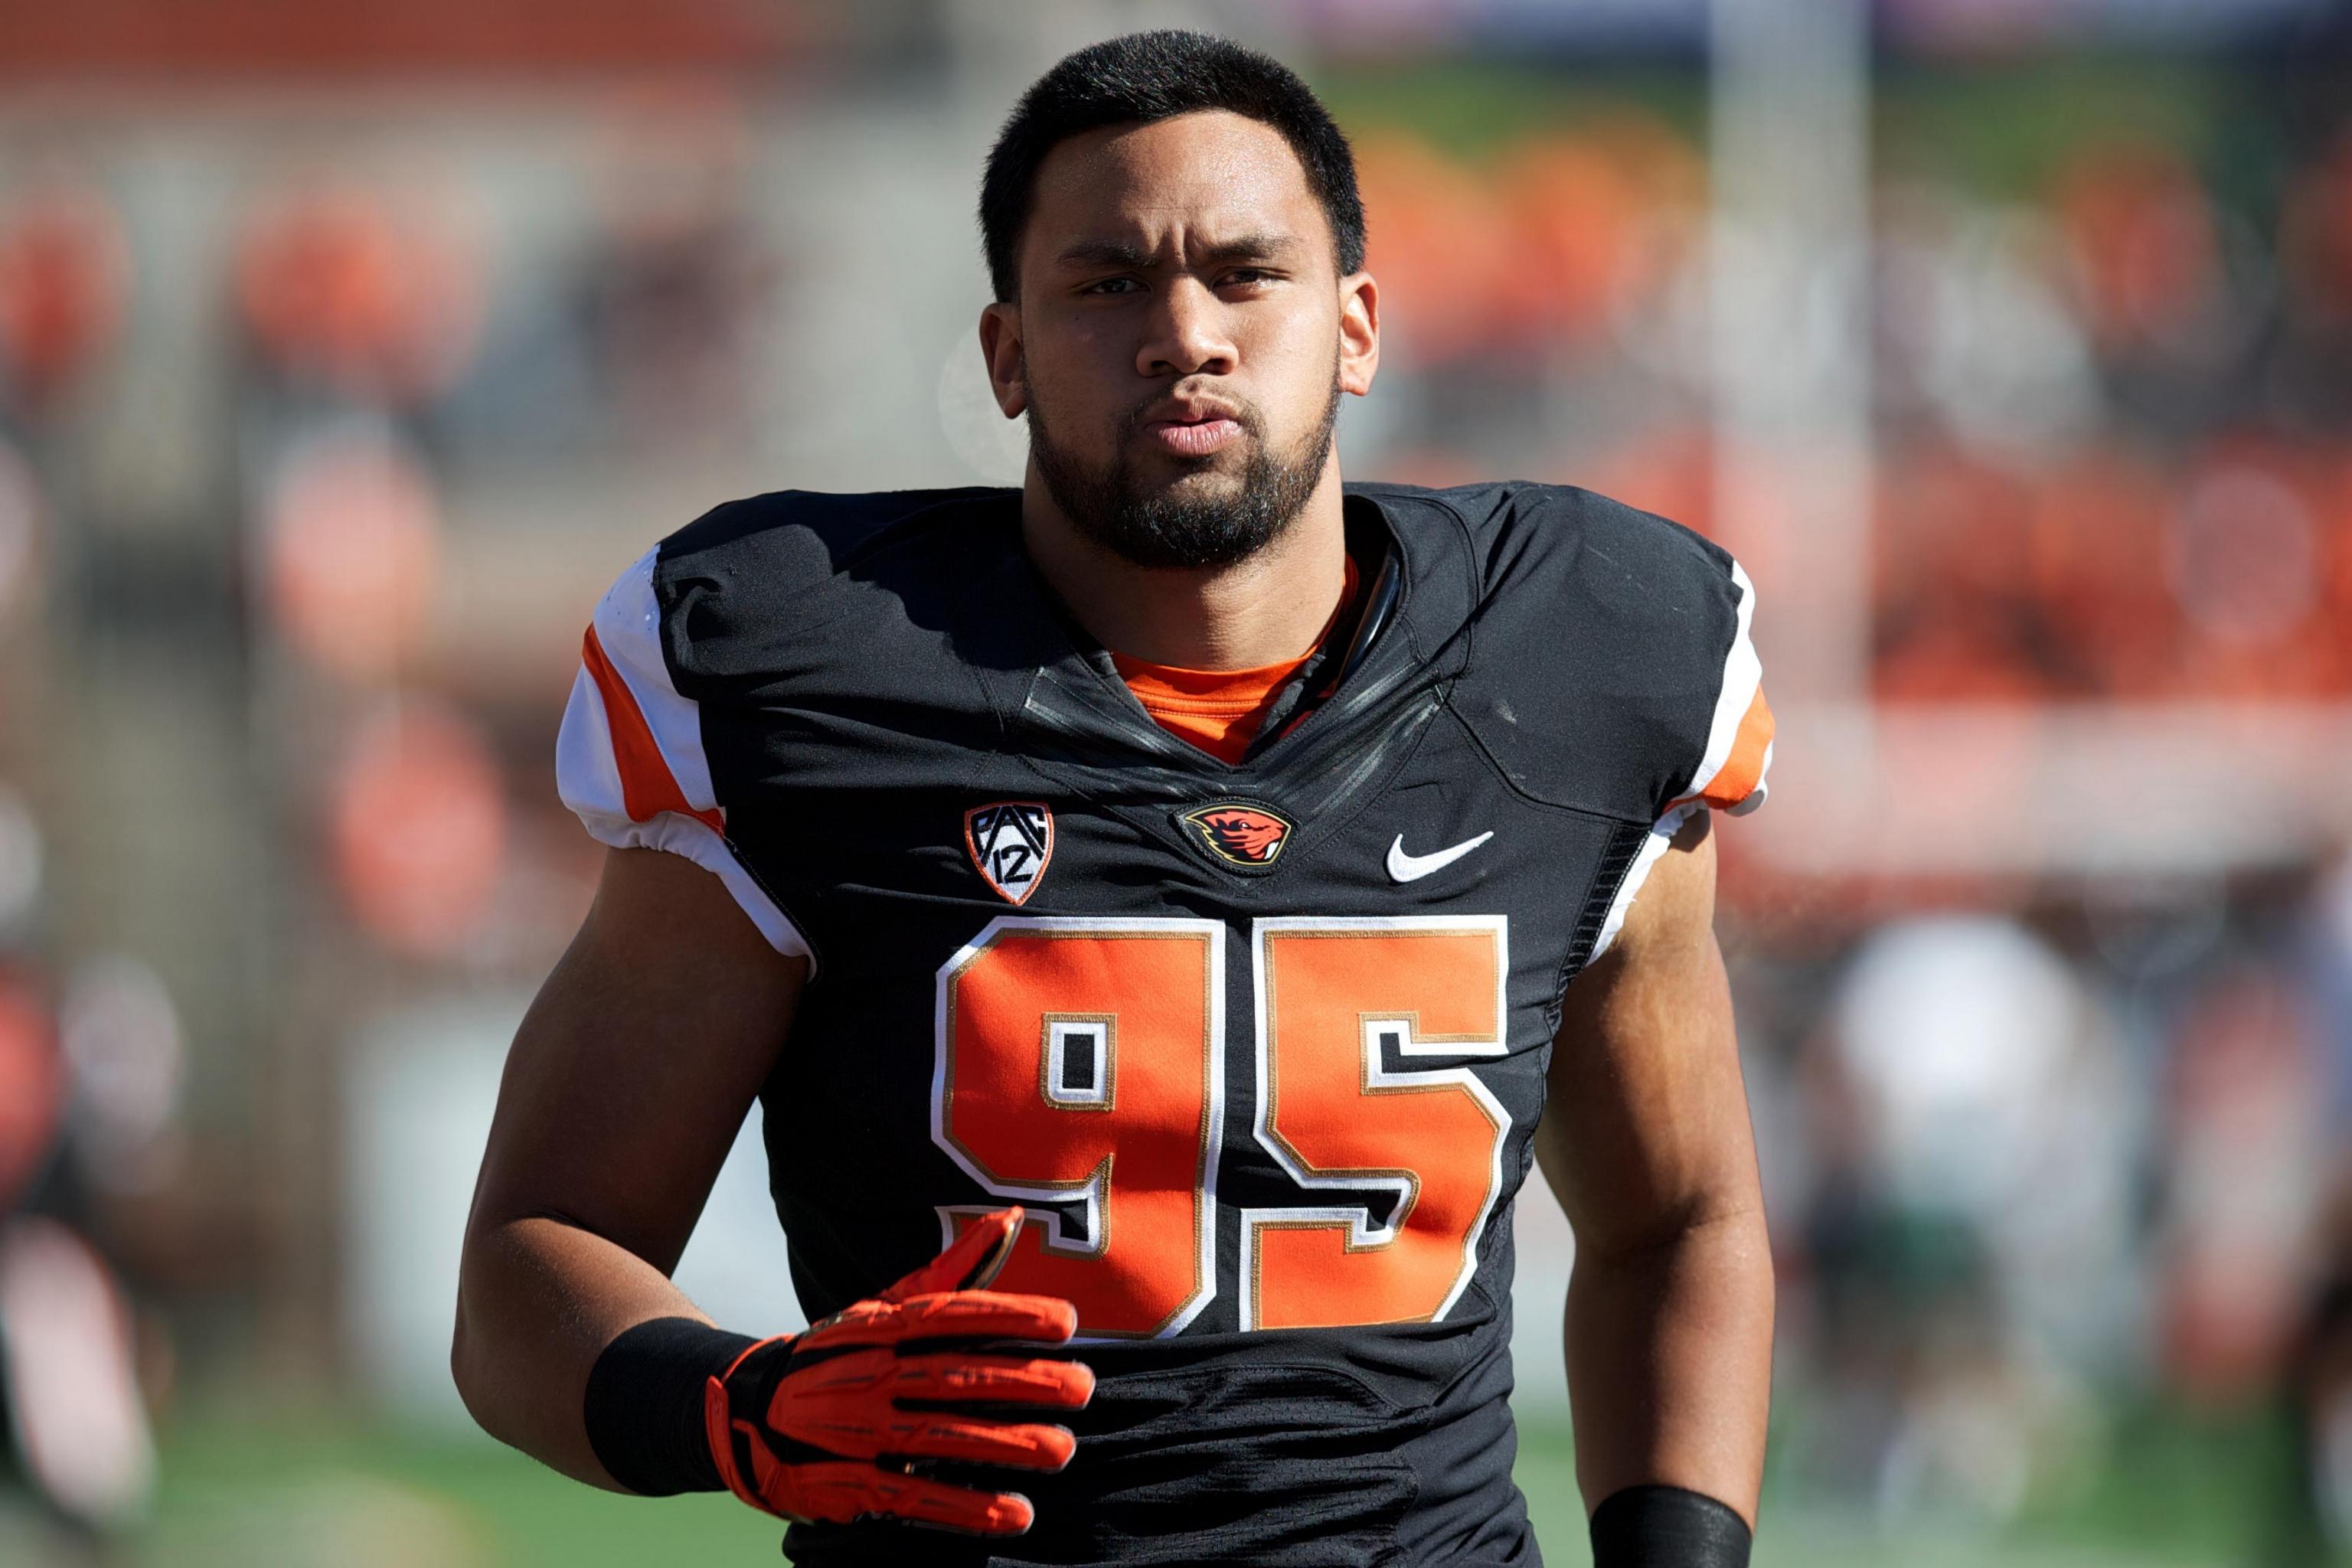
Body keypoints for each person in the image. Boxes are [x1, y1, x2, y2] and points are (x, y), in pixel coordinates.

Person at [452, 29, 1775, 1568]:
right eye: (1108, 282)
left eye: (1243, 272)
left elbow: (1680, 1217)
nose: (1185, 332)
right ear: (1006, 353)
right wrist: (736, 1409)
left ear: (1354, 326)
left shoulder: (1589, 655)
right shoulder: (804, 677)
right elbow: (531, 1267)